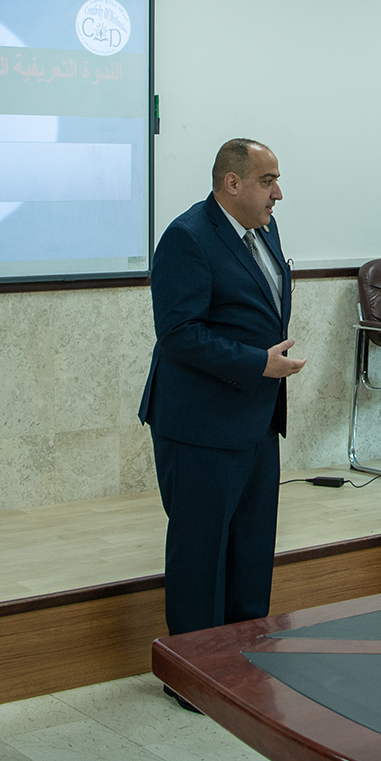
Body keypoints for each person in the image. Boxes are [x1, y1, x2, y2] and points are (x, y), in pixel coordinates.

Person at [139, 139, 302, 675]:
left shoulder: (266, 229)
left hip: (256, 420)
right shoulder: (187, 237)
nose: (278, 193)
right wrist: (257, 363)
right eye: (267, 181)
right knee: (200, 554)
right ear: (232, 183)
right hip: (200, 425)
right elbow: (178, 333)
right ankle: (194, 673)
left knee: (252, 550)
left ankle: (245, 661)